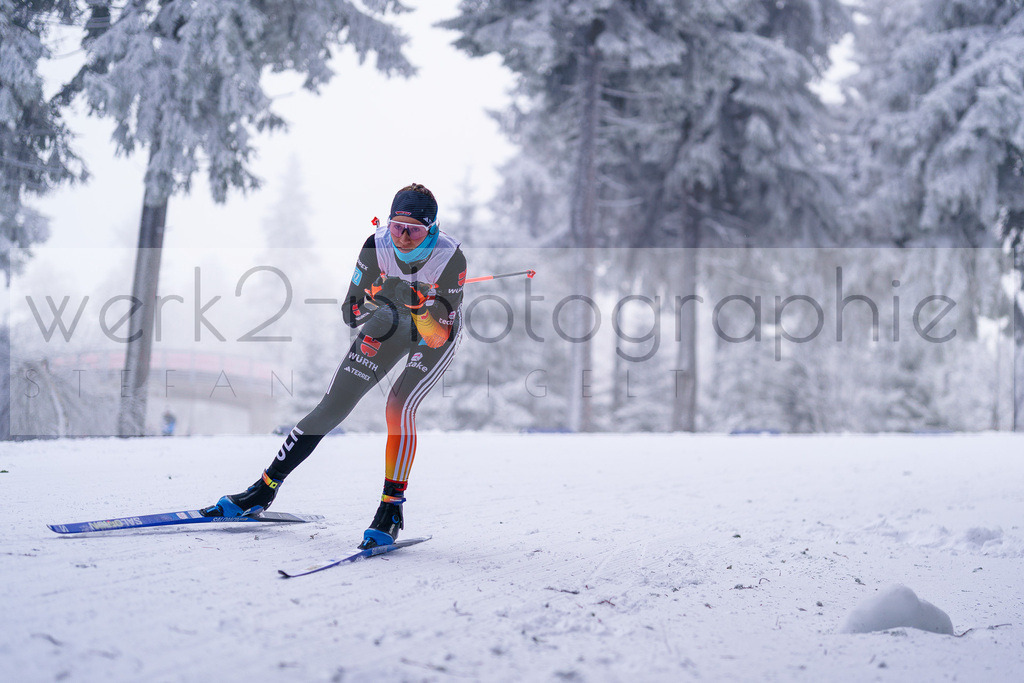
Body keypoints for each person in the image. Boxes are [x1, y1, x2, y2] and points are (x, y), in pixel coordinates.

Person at [202, 183, 466, 549]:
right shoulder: (377, 246)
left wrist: (420, 308)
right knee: (330, 408)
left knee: (398, 405)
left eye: (414, 229)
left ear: (432, 229)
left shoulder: (449, 258)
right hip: (389, 322)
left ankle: (391, 509)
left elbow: (437, 336)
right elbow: (351, 312)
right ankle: (262, 491)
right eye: (397, 226)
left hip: (430, 334)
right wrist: (375, 296)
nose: (404, 237)